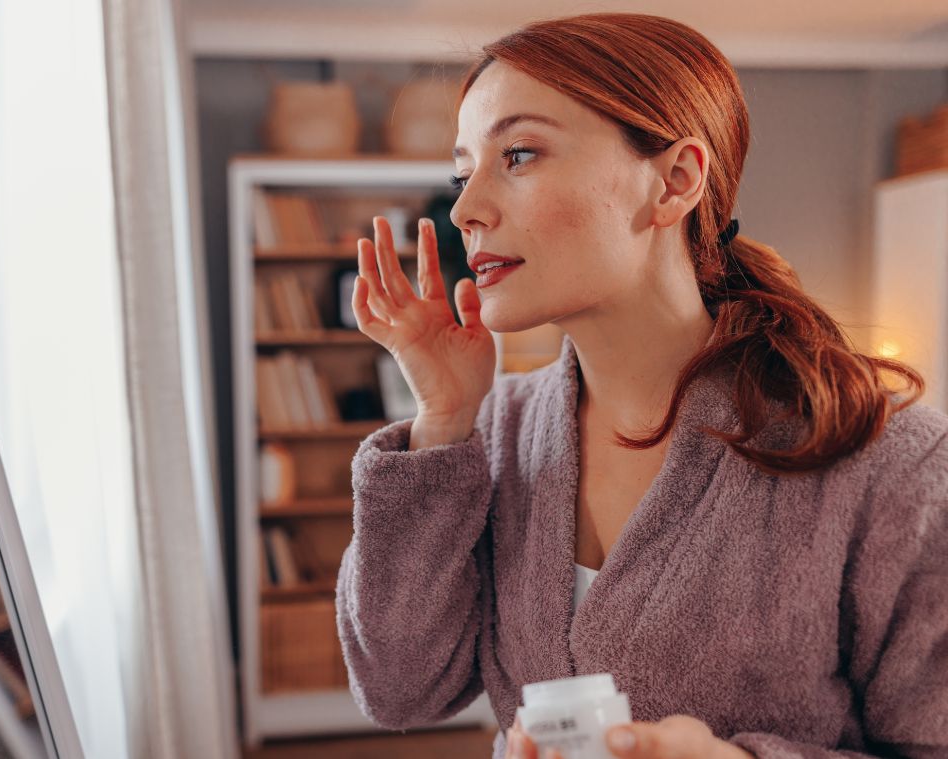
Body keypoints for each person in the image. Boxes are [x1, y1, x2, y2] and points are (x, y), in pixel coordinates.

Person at [334, 12, 948, 759]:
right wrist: (443, 418)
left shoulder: (888, 458)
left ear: (675, 181)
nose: (465, 209)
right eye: (464, 174)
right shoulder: (492, 432)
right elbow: (399, 688)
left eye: (519, 154)